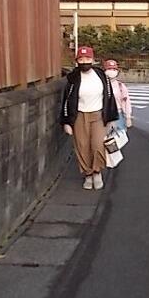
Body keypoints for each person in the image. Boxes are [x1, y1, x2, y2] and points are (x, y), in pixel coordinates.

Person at [61, 46, 119, 190]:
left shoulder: (101, 76)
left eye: (87, 58)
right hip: (79, 116)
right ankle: (88, 173)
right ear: (77, 61)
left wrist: (111, 118)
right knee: (82, 146)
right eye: (81, 59)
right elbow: (66, 100)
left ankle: (97, 171)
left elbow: (109, 97)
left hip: (98, 115)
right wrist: (66, 122)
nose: (84, 62)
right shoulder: (73, 79)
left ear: (93, 60)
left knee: (98, 145)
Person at [103, 59, 132, 131]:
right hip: (103, 115)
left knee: (119, 136)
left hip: (118, 115)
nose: (112, 71)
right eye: (109, 69)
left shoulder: (120, 86)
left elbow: (126, 102)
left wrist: (128, 117)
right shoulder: (100, 85)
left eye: (114, 69)